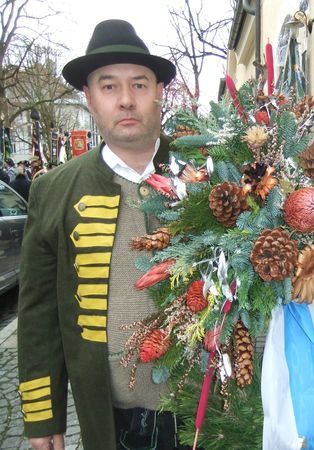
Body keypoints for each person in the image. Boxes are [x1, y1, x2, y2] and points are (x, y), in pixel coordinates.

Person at [16, 20, 189, 450]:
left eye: (140, 84)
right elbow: (38, 315)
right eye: (109, 87)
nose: (127, 100)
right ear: (90, 99)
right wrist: (43, 418)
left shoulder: (208, 177)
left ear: (160, 92)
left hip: (205, 410)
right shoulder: (54, 191)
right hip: (111, 421)